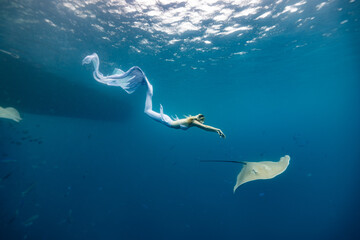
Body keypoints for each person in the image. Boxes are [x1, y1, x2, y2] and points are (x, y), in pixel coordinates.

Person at [82, 53, 226, 138]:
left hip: (168, 120)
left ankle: (148, 85)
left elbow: (185, 125)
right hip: (167, 121)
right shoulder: (193, 122)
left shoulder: (190, 120)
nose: (201, 122)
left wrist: (173, 119)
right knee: (146, 108)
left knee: (149, 100)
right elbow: (205, 127)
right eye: (201, 120)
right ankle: (147, 83)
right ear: (199, 119)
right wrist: (217, 130)